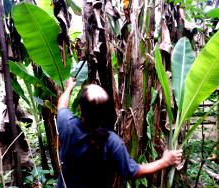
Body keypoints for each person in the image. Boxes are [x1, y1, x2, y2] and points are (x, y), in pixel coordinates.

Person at [55, 78, 183, 187]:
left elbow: (61, 105)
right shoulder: (111, 141)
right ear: (106, 114)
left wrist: (69, 88)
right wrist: (165, 161)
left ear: (80, 109)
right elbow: (133, 172)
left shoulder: (67, 125)